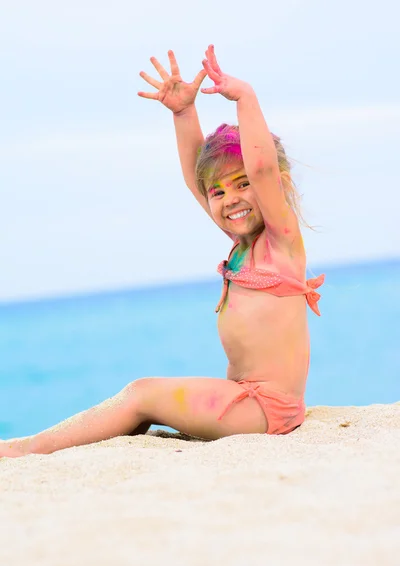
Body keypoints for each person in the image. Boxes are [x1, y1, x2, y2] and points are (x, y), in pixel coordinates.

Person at [0, 45, 324, 458]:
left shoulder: (281, 244)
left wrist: (245, 97)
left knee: (141, 394)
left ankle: (23, 450)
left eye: (243, 184)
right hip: (243, 400)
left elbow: (261, 169)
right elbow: (195, 177)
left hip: (265, 410)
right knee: (140, 403)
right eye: (219, 191)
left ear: (273, 184)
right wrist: (184, 113)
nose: (231, 199)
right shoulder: (243, 248)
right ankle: (43, 442)